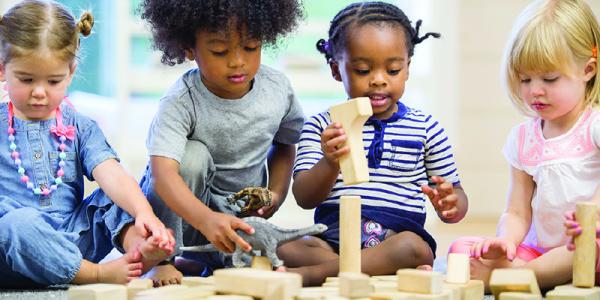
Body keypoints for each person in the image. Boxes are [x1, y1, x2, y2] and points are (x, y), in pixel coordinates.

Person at [276, 1, 469, 287]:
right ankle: (356, 269)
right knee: (283, 244)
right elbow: (305, 198)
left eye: (392, 70)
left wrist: (450, 204)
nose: (379, 80)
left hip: (394, 240)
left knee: (414, 248)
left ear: (407, 68)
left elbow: (457, 197)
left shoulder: (426, 128)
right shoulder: (321, 126)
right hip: (333, 239)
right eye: (363, 70)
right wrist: (330, 162)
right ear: (336, 69)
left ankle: (316, 275)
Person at [0, 0, 175, 288]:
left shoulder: (80, 125)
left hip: (74, 238)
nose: (40, 92)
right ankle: (94, 274)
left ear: (70, 72)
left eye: (54, 81)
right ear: (2, 69)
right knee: (16, 223)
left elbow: (111, 173)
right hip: (13, 249)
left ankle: (139, 251)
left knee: (118, 195)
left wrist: (144, 213)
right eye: (27, 79)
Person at [138, 0, 305, 284]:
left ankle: (203, 259)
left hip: (238, 219)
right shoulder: (181, 101)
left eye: (251, 47)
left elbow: (286, 142)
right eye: (219, 51)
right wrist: (205, 219)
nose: (237, 61)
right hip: (186, 216)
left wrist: (276, 193)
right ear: (189, 48)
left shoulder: (278, 90)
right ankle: (164, 258)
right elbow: (162, 176)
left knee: (272, 262)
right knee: (192, 157)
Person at [448, 0, 600, 291]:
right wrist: (506, 240)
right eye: (525, 79)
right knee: (461, 251)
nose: (535, 91)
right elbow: (517, 211)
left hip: (588, 246)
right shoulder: (523, 138)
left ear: (588, 70)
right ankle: (524, 274)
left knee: (584, 248)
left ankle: (518, 278)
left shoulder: (593, 126)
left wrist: (591, 212)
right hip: (539, 251)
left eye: (550, 78)